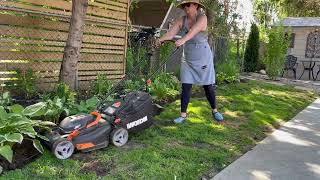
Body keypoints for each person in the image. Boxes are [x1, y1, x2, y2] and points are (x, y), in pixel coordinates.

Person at [154, 0, 224, 123]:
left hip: (202, 56)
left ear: (196, 6)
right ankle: (183, 115)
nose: (185, 7)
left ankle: (214, 110)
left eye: (188, 5)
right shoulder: (182, 19)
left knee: (207, 86)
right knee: (186, 86)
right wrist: (160, 40)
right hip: (188, 57)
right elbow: (170, 33)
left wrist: (182, 40)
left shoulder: (202, 18)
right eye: (184, 5)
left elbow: (193, 32)